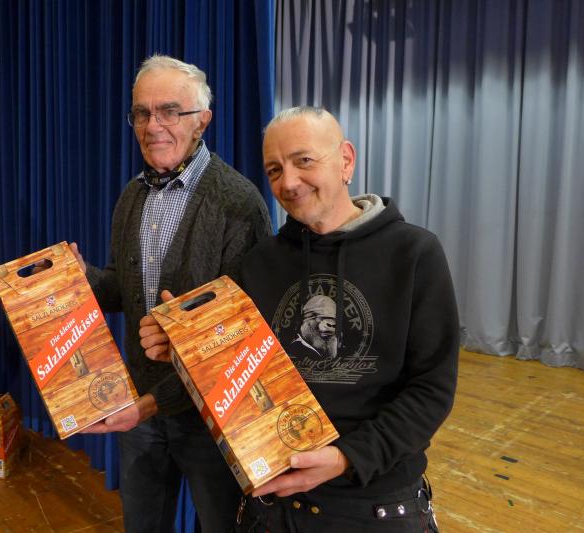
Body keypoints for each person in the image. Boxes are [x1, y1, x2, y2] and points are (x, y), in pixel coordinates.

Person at [141, 106, 458, 532]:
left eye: (304, 160)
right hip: (272, 506)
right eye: (274, 170)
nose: (288, 183)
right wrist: (186, 349)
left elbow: (432, 389)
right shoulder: (259, 262)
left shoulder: (414, 253)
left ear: (346, 160)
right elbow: (242, 373)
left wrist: (347, 458)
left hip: (373, 503)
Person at [73, 55, 272, 533]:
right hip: (141, 408)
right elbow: (125, 289)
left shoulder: (239, 203)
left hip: (210, 415)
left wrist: (154, 397)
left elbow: (244, 333)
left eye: (169, 111)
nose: (152, 126)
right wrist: (84, 279)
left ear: (202, 120)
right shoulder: (131, 196)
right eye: (141, 113)